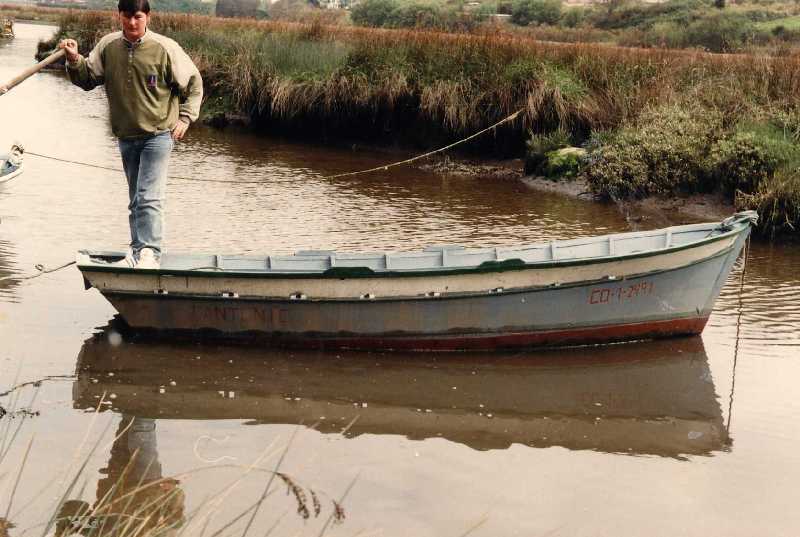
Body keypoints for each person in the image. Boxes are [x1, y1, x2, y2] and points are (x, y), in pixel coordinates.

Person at [59, 0, 202, 269]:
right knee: (136, 198)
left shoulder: (165, 48)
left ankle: (150, 253)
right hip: (126, 135)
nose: (132, 22)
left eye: (137, 16)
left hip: (158, 134)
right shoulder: (108, 45)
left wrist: (185, 117)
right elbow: (87, 79)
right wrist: (73, 59)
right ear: (119, 16)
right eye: (127, 16)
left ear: (147, 17)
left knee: (149, 196)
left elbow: (194, 83)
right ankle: (138, 252)